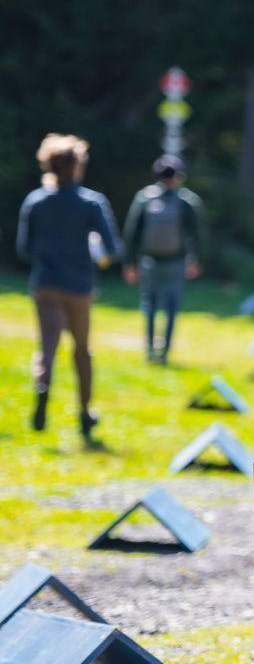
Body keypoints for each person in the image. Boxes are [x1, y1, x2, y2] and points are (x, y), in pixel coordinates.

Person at [15, 134, 120, 438]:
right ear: (78, 166)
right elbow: (111, 247)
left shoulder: (35, 201)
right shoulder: (91, 203)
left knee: (47, 346)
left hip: (45, 283)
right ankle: (85, 411)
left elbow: (25, 249)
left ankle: (43, 387)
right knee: (82, 350)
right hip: (79, 285)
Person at [122, 154, 203, 364]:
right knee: (171, 308)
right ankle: (164, 353)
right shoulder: (186, 201)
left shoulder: (144, 198)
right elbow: (195, 233)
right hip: (175, 262)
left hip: (149, 261)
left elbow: (132, 232)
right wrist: (195, 260)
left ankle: (150, 351)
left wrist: (129, 263)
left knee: (149, 306)